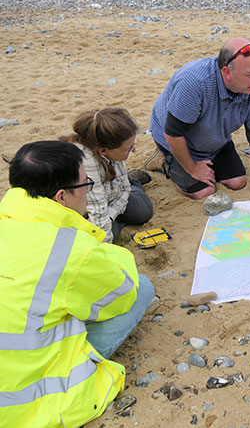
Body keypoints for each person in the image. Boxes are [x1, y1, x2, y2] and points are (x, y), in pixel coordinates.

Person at [0, 140, 155, 427]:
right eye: (86, 185)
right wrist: (100, 250)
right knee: (141, 287)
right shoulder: (69, 249)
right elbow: (120, 293)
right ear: (61, 196)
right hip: (24, 404)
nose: (89, 191)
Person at [150, 37, 250, 199]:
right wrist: (193, 169)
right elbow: (173, 134)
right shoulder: (194, 82)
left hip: (215, 140)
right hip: (176, 140)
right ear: (227, 72)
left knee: (237, 182)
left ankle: (203, 160)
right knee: (204, 191)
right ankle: (162, 161)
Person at [60, 108, 153, 243]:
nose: (134, 150)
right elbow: (97, 212)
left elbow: (125, 190)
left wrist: (111, 214)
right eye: (128, 149)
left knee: (143, 212)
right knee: (104, 236)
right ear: (103, 150)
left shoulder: (111, 150)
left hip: (111, 194)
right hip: (88, 204)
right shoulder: (86, 164)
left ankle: (133, 180)